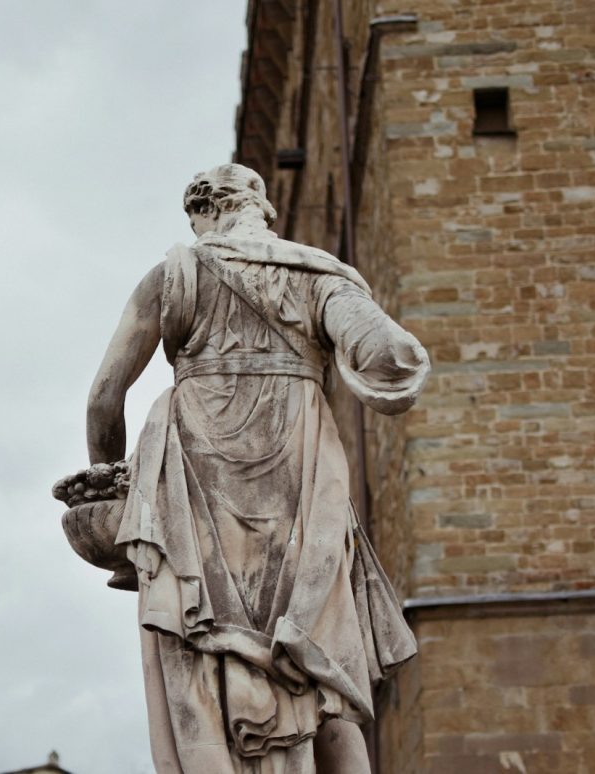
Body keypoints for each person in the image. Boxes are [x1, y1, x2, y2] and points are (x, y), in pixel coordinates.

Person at [86, 164, 429, 773]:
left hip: (195, 494)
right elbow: (384, 350)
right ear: (260, 208)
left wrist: (111, 481)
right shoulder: (318, 275)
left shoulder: (174, 275)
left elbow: (103, 399)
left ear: (202, 214)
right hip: (301, 491)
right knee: (317, 660)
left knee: (203, 655)